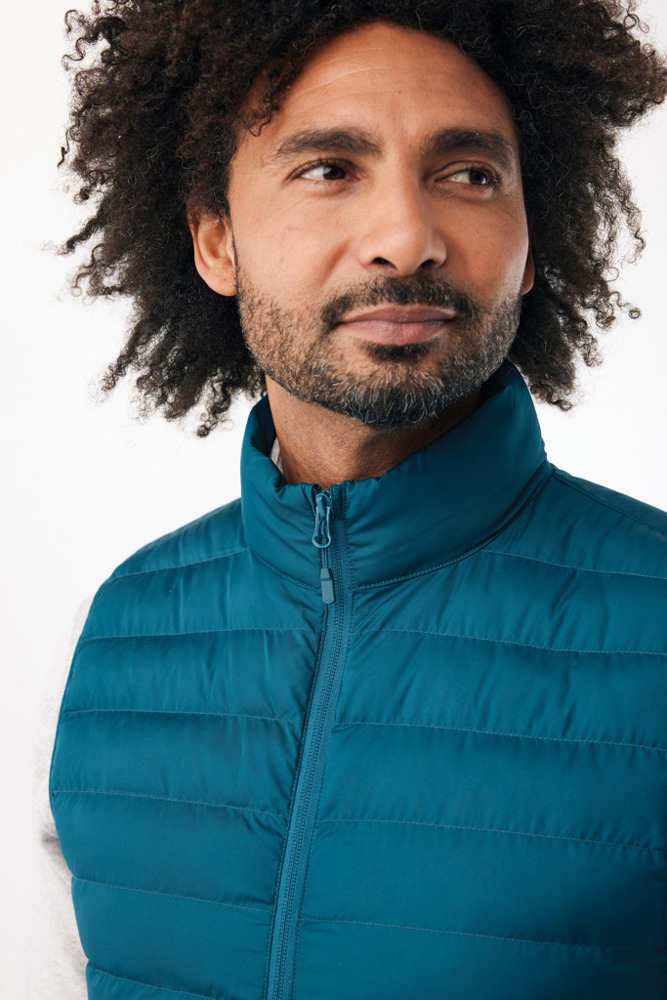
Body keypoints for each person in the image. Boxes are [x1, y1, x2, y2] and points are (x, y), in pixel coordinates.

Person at [40, 1, 667, 998]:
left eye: (469, 174)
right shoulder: (124, 630)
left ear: (530, 242)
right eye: (329, 169)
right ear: (216, 240)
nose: (406, 239)